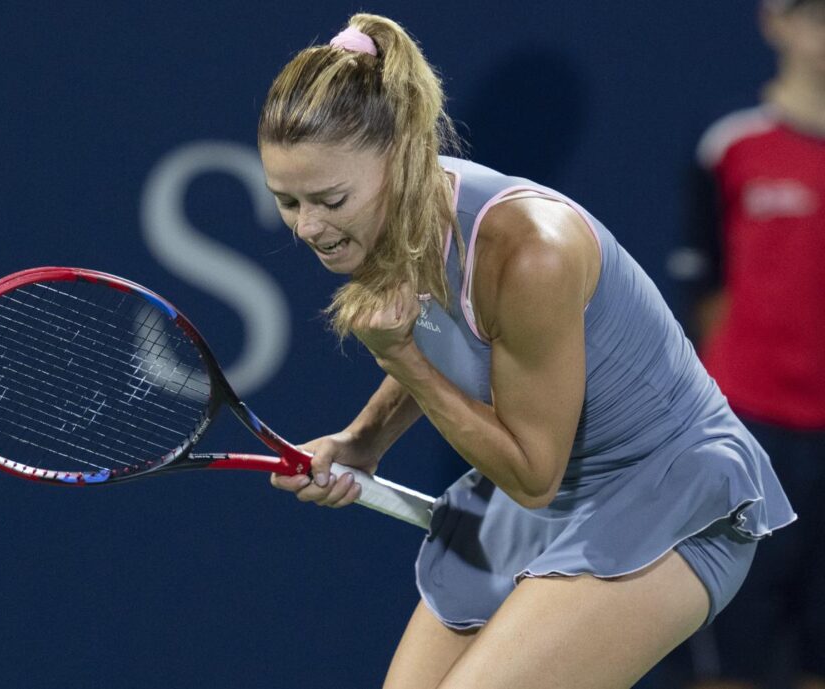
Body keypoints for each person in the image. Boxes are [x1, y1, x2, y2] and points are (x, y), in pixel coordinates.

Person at [258, 14, 796, 689]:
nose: (308, 226)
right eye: (286, 201)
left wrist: (403, 361)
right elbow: (460, 339)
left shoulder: (529, 252)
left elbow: (533, 474)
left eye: (329, 199)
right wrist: (363, 440)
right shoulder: (396, 212)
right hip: (543, 495)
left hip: (670, 494)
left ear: (401, 156)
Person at [668, 1, 825, 687]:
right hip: (751, 438)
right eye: (814, 14)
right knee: (730, 656)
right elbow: (705, 295)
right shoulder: (729, 144)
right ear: (775, 21)